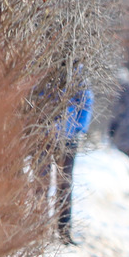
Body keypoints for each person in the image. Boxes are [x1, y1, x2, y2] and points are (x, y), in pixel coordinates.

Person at [37, 64, 93, 244]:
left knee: (65, 183)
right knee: (41, 183)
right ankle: (39, 230)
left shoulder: (75, 71)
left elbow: (86, 102)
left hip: (68, 138)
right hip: (45, 136)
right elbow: (35, 97)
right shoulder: (41, 66)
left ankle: (63, 231)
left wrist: (77, 129)